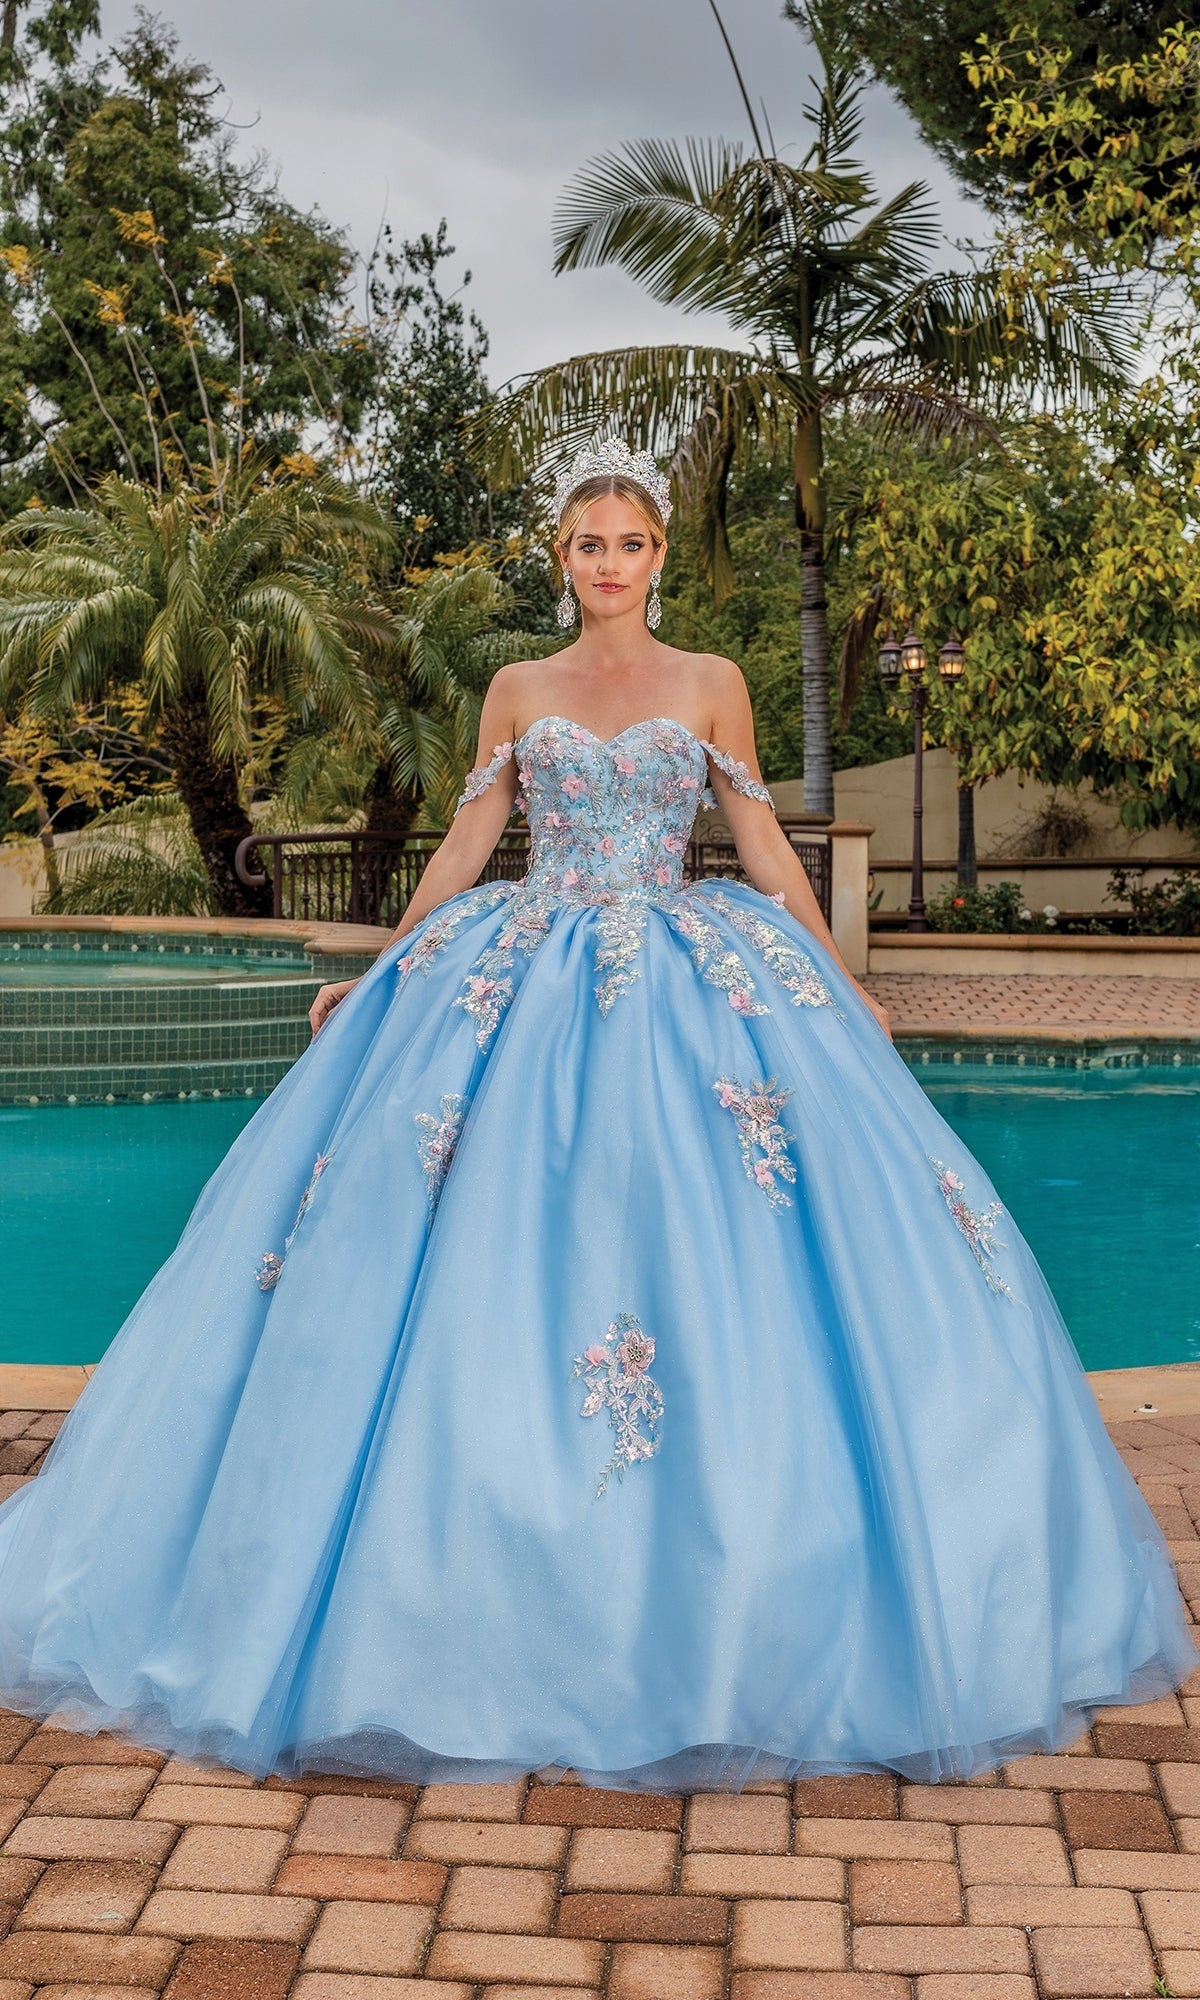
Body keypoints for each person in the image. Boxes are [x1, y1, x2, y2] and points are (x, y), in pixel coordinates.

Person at [0, 437, 1193, 1794]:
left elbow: (755, 847)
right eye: (588, 544)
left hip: (689, 972)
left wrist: (841, 986)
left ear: (658, 556)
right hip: (529, 959)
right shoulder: (518, 686)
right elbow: (465, 844)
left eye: (629, 544)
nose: (608, 565)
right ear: (560, 559)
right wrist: (388, 964)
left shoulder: (715, 684)